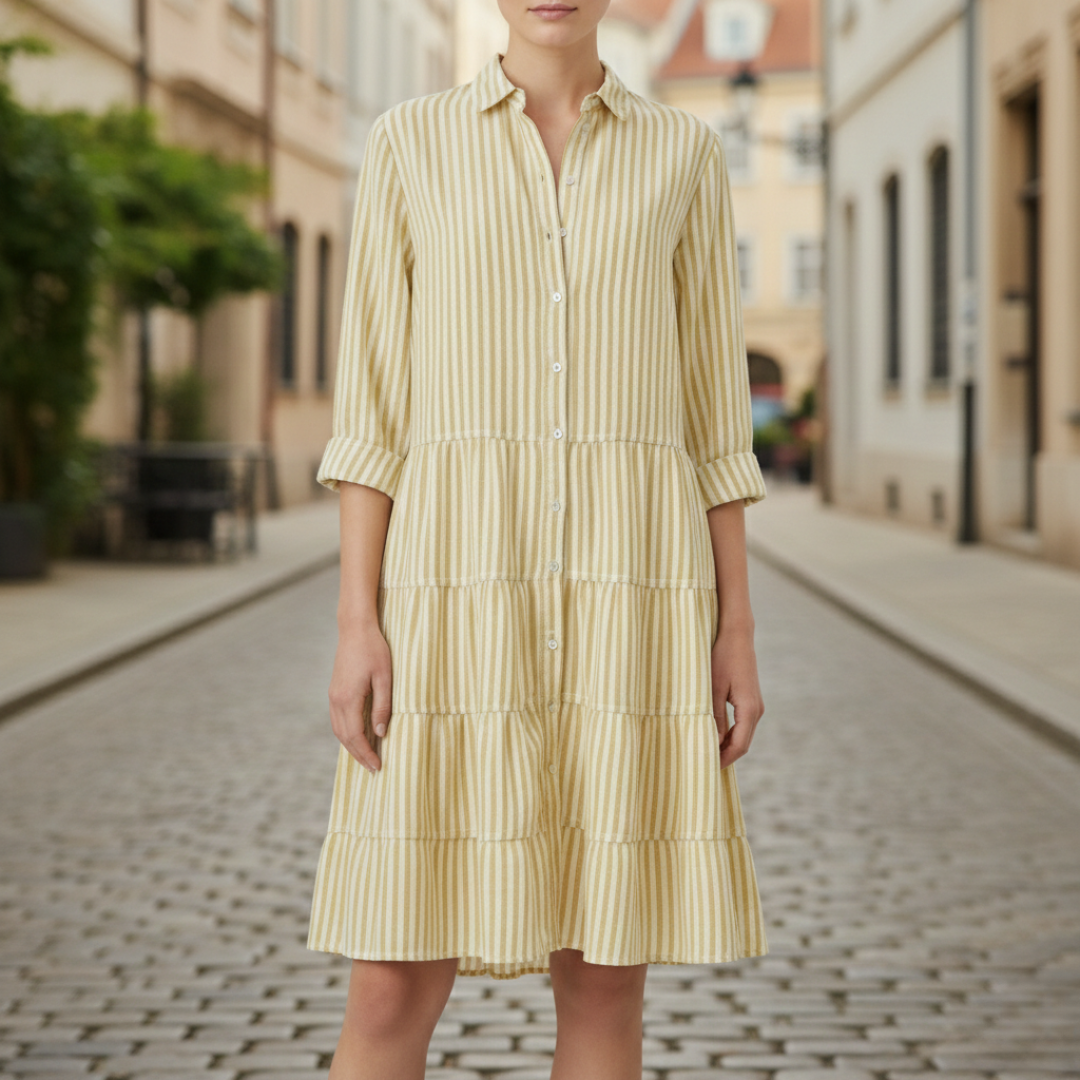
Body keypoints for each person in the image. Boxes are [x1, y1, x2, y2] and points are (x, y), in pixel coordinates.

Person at [307, 2, 769, 1077]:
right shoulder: (408, 145)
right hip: (452, 610)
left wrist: (734, 626)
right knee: (390, 982)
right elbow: (371, 417)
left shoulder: (686, 156)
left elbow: (714, 425)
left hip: (634, 610)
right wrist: (355, 622)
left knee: (604, 976)